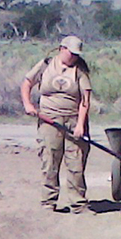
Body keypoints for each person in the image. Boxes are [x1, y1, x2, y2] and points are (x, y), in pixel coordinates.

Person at [20, 35, 93, 212]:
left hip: (73, 120)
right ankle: (48, 201)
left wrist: (80, 125)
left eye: (77, 54)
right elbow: (27, 83)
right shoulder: (45, 65)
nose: (74, 57)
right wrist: (28, 104)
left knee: (75, 163)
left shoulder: (80, 69)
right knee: (50, 160)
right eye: (71, 53)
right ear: (62, 49)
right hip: (49, 120)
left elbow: (85, 99)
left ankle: (78, 203)